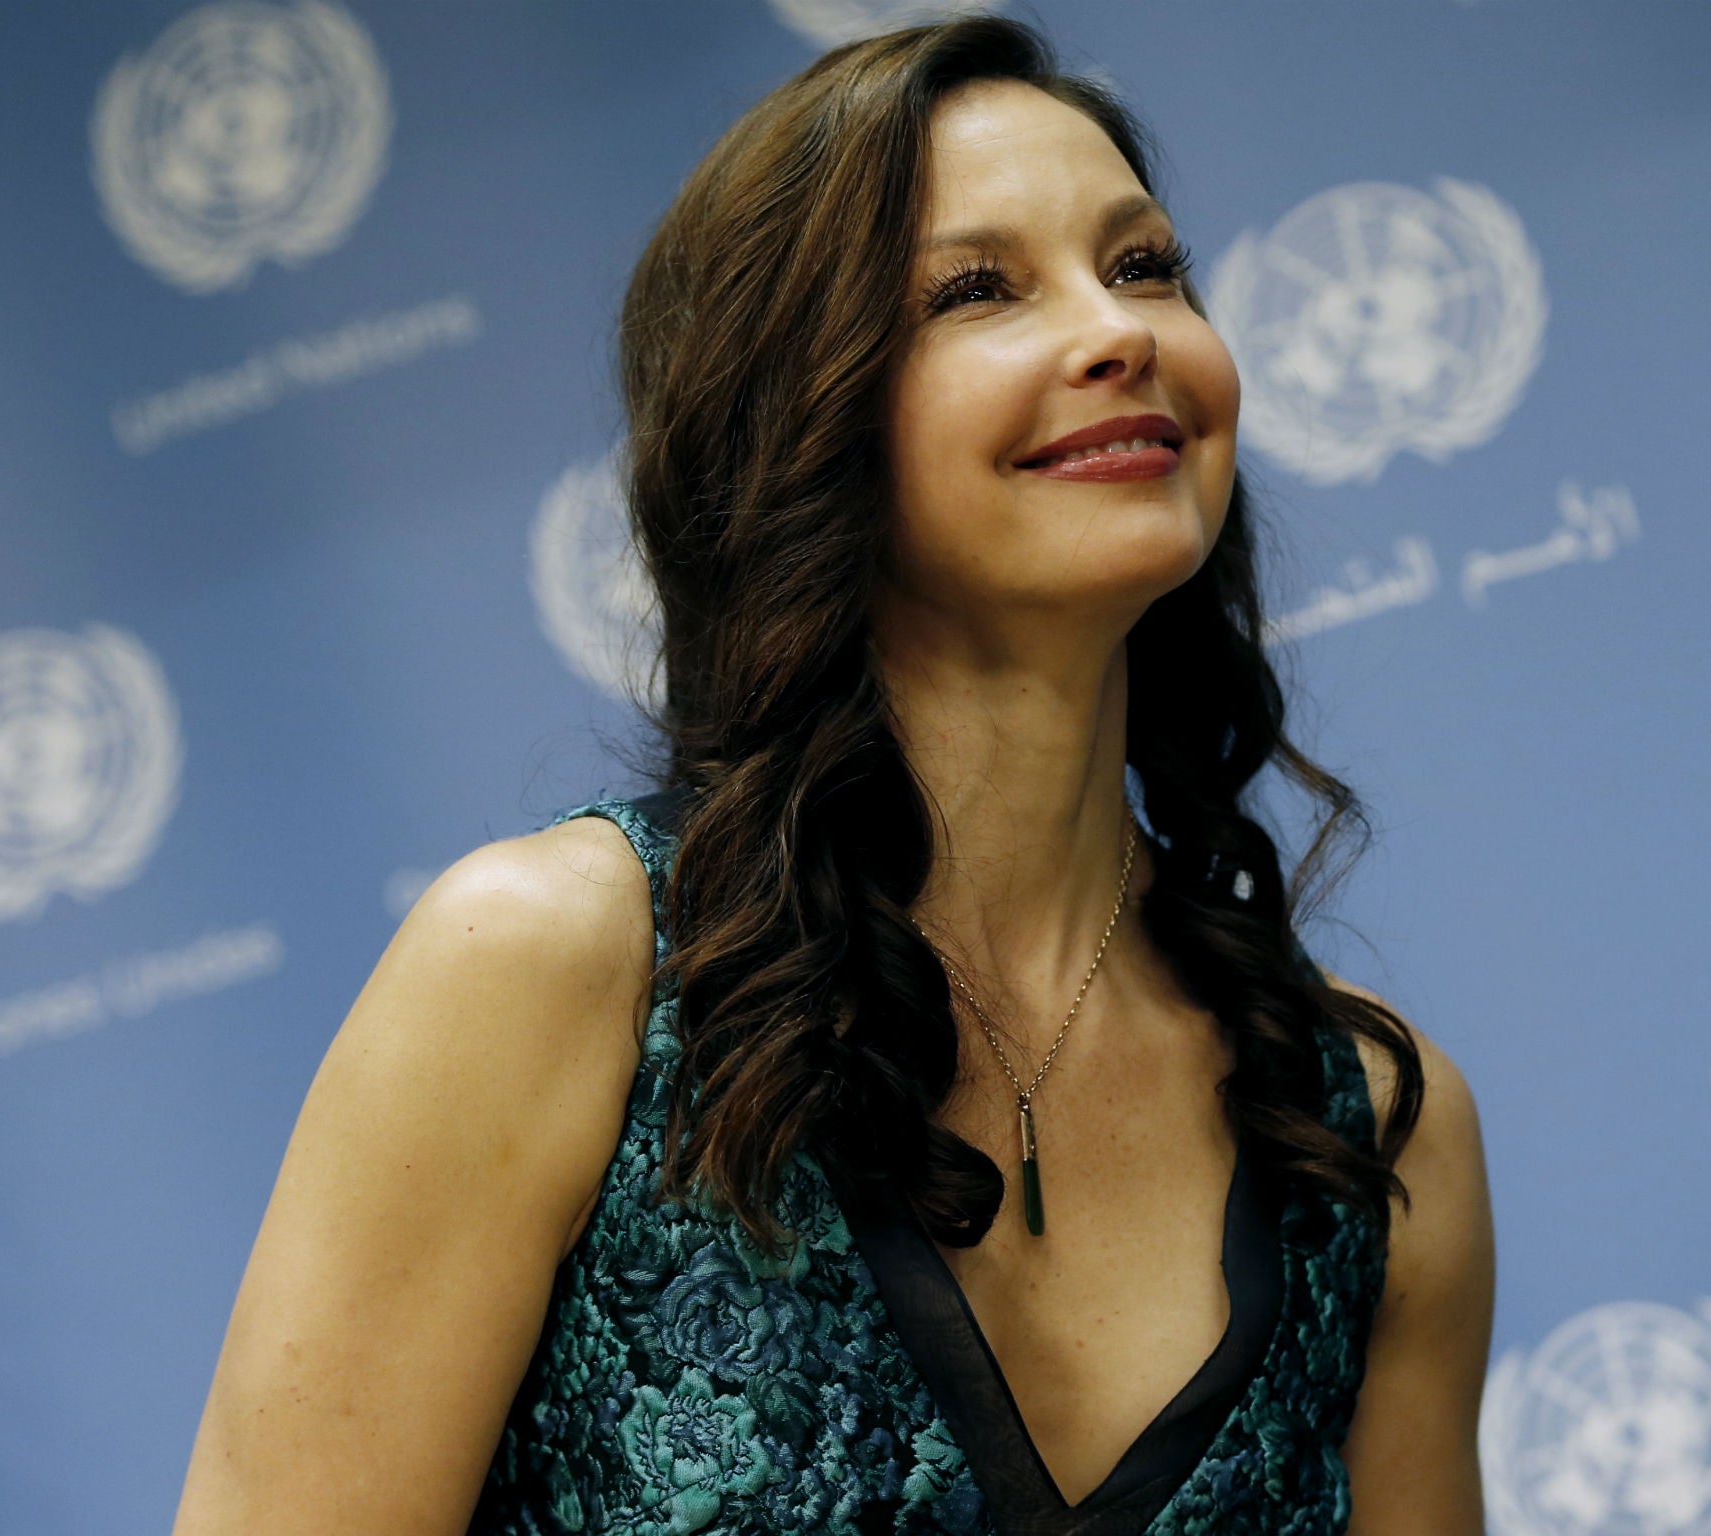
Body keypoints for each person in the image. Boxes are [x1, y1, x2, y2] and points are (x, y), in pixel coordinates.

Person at [172, 15, 1496, 1535]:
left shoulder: (1377, 1128)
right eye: (974, 289)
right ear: (800, 428)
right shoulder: (557, 966)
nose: (1119, 330)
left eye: (1144, 266)